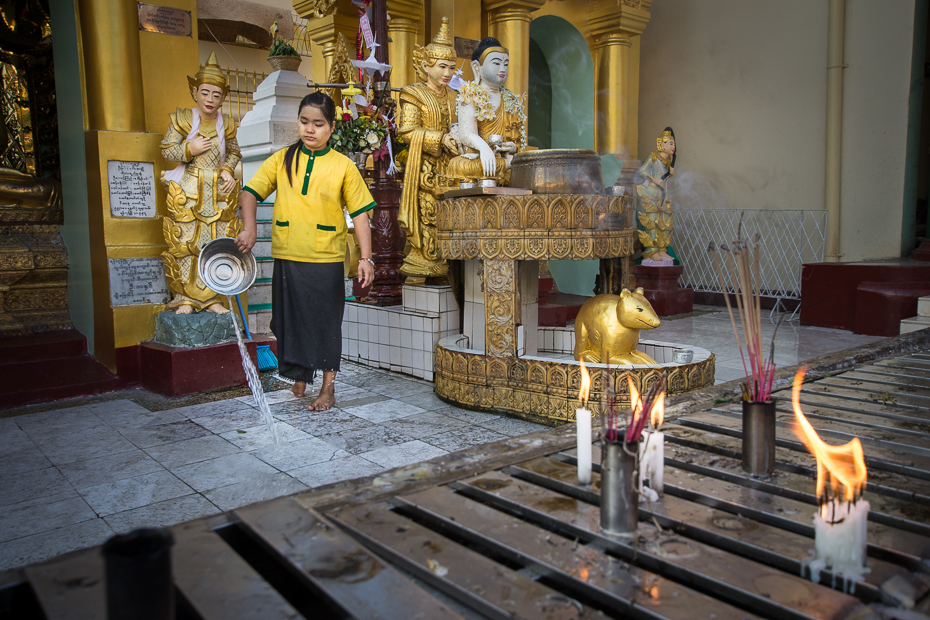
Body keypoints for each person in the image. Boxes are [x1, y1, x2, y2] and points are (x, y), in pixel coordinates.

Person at [236, 92, 376, 411]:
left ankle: (328, 387)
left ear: (331, 127)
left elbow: (361, 214)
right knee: (288, 322)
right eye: (303, 122)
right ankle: (300, 374)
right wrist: (249, 227)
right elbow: (249, 192)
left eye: (318, 124)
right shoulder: (282, 158)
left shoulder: (342, 166)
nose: (309, 129)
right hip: (287, 254)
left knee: (325, 324)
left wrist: (365, 258)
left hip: (325, 259)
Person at [160, 52, 242, 315]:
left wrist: (228, 169)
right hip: (188, 189)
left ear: (223, 98)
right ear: (195, 92)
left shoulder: (227, 124)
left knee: (216, 242)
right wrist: (189, 149)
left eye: (217, 95)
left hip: (216, 190)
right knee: (185, 242)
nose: (210, 99)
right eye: (205, 93)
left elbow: (233, 152)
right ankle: (185, 297)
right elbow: (167, 150)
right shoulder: (182, 119)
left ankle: (212, 297)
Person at [396, 17, 459, 279]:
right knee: (427, 214)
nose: (447, 73)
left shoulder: (457, 96)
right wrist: (440, 139)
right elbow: (407, 131)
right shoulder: (414, 93)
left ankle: (451, 262)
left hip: (453, 167)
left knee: (451, 216)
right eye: (442, 66)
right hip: (424, 168)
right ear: (425, 65)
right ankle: (424, 260)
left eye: (452, 68)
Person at [445, 36, 526, 186]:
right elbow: (467, 134)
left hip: (503, 160)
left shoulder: (510, 99)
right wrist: (484, 148)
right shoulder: (470, 94)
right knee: (462, 166)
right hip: (477, 159)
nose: (502, 69)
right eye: (496, 63)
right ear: (477, 67)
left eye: (506, 64)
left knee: (523, 164)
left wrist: (512, 147)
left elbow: (516, 140)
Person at [635, 127, 677, 264]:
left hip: (663, 195)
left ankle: (662, 249)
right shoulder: (653, 157)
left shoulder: (669, 161)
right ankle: (651, 251)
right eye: (670, 143)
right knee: (652, 221)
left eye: (674, 143)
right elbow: (641, 171)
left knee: (664, 222)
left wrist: (670, 174)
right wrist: (653, 179)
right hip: (652, 194)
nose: (673, 146)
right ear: (662, 144)